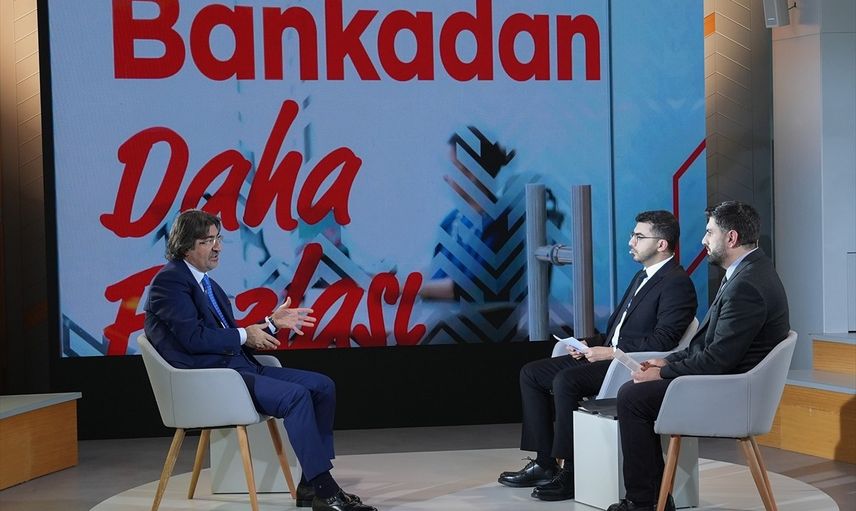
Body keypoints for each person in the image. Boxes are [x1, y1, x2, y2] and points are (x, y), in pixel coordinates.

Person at [144, 209, 377, 511]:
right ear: (186, 246)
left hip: (237, 370)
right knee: (295, 396)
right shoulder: (170, 282)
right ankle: (326, 490)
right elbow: (194, 339)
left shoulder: (206, 284)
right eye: (207, 241)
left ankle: (310, 484)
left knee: (322, 386)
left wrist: (270, 324)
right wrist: (245, 334)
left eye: (218, 239)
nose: (217, 247)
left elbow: (229, 335)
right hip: (210, 380)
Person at [498, 210, 697, 501]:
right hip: (609, 356)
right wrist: (588, 344)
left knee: (566, 381)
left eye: (639, 237)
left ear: (662, 244)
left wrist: (612, 353)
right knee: (532, 373)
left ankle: (571, 473)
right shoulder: (642, 276)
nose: (631, 242)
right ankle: (544, 463)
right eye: (633, 235)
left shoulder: (677, 283)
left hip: (629, 364)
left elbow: (663, 340)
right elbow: (617, 331)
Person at [606, 201, 790, 511]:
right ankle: (651, 498)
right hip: (727, 381)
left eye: (709, 232)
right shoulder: (750, 271)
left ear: (731, 238)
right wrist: (668, 361)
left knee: (632, 397)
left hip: (729, 392)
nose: (703, 240)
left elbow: (718, 359)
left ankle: (645, 502)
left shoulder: (747, 285)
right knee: (635, 392)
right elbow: (710, 346)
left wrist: (662, 373)